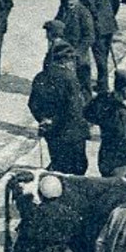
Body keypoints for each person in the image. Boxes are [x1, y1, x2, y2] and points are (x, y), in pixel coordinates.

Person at [29, 42, 90, 176]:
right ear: (66, 60)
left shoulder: (40, 76)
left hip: (51, 132)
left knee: (58, 166)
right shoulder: (69, 78)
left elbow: (32, 104)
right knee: (78, 169)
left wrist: (44, 119)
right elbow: (74, 109)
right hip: (72, 132)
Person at [85, 71, 126, 178]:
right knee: (118, 189)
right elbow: (124, 138)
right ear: (125, 89)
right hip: (118, 161)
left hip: (104, 156)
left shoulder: (105, 100)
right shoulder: (120, 112)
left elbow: (87, 112)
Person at [76, 0, 121, 94]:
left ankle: (103, 85)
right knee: (104, 55)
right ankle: (103, 82)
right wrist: (110, 16)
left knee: (99, 57)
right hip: (109, 25)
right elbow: (115, 1)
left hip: (97, 29)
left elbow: (90, 11)